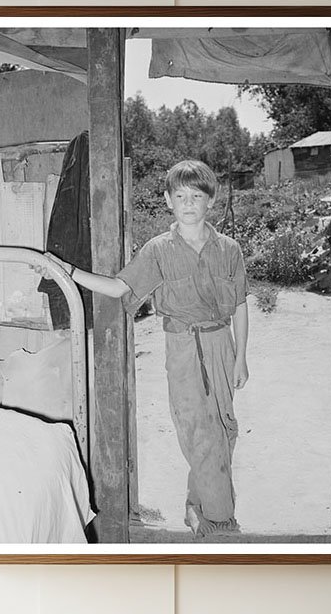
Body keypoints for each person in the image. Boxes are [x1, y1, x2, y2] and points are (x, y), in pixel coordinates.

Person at [44, 159, 249, 538]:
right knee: (200, 434)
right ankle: (221, 526)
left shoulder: (230, 249)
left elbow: (239, 305)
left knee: (224, 430)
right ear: (169, 201)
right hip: (183, 346)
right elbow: (121, 288)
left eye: (197, 196)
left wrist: (241, 357)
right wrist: (66, 271)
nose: (189, 204)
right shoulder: (158, 251)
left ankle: (196, 504)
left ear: (210, 202)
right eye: (181, 196)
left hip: (222, 344)